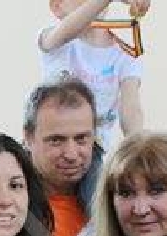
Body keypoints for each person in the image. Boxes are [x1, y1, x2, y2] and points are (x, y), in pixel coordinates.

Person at [37, 0, 148, 150]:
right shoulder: (52, 39)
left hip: (94, 150)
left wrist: (139, 147)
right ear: (57, 6)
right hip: (54, 143)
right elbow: (70, 28)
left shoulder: (125, 52)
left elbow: (131, 108)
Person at [23, 78, 101, 236]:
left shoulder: (120, 198)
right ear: (28, 137)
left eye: (81, 139)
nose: (71, 154)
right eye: (56, 140)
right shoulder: (9, 208)